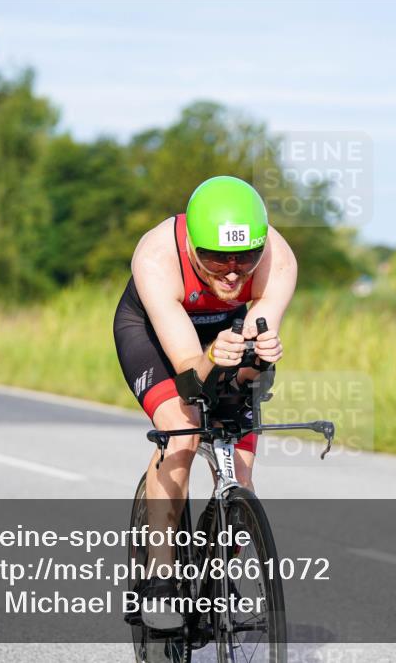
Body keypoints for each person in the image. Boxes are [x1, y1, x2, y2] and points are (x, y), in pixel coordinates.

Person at [113, 176, 297, 628]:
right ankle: (159, 572)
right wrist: (213, 357)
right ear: (194, 244)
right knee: (183, 430)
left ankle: (221, 571)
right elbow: (192, 374)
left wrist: (258, 361)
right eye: (216, 257)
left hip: (226, 331)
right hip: (159, 336)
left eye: (245, 257)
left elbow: (249, 367)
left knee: (241, 462)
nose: (233, 271)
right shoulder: (157, 256)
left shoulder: (279, 258)